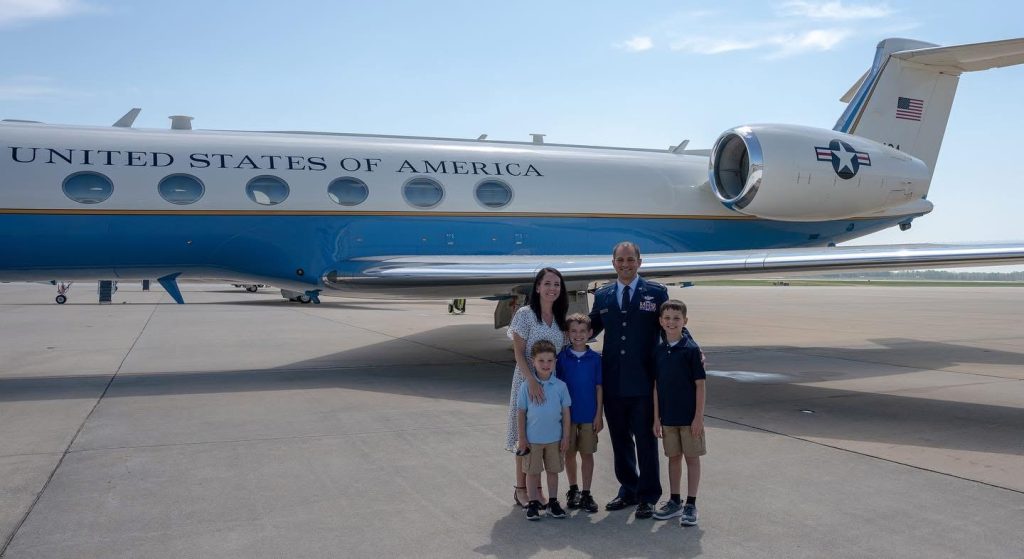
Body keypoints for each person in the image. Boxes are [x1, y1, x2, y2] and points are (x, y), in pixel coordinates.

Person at [589, 241, 669, 519]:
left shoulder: (656, 293)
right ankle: (628, 488)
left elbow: (671, 324)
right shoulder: (604, 295)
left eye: (630, 259)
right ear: (613, 263)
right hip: (613, 380)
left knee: (646, 440)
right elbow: (587, 328)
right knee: (620, 439)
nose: (625, 264)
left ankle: (648, 495)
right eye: (620, 260)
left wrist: (690, 349)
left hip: (644, 381)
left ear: (639, 261)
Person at [506, 267, 569, 508]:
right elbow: (519, 353)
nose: (553, 288)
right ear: (538, 287)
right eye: (548, 283)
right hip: (526, 383)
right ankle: (521, 489)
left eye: (557, 285)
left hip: (550, 387)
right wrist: (531, 381)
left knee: (545, 435)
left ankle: (538, 489)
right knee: (525, 438)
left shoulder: (559, 319)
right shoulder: (525, 314)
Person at [651, 299, 707, 527]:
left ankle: (691, 504)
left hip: (689, 418)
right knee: (673, 459)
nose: (671, 322)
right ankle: (675, 501)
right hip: (668, 418)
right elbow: (655, 385)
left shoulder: (691, 350)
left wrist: (698, 418)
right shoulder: (658, 351)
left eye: (676, 318)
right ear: (661, 322)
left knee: (691, 460)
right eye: (667, 318)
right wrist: (656, 418)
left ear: (685, 321)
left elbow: (701, 385)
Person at [516, 340, 572, 520]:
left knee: (553, 471)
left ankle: (553, 502)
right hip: (533, 440)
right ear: (533, 361)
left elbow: (566, 413)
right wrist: (522, 438)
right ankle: (533, 503)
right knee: (532, 472)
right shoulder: (526, 386)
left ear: (555, 361)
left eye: (550, 361)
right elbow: (521, 413)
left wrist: (566, 436)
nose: (546, 365)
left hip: (554, 439)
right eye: (541, 361)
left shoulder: (560, 386)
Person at [555, 313, 603, 513]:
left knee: (587, 454)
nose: (578, 335)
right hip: (567, 417)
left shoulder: (595, 359)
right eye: (573, 331)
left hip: (588, 414)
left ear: (590, 333)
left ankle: (586, 492)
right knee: (569, 453)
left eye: (583, 331)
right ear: (567, 334)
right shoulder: (562, 358)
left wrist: (599, 414)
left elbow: (599, 387)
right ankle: (573, 489)